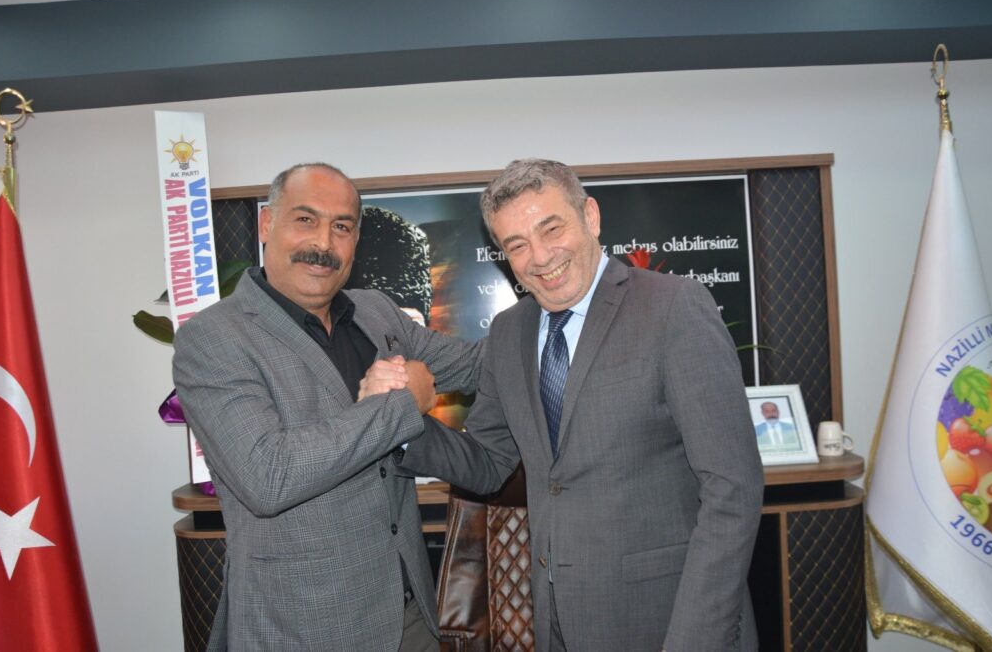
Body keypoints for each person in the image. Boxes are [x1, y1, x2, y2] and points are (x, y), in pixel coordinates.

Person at [401, 158, 764, 651]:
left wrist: (695, 640)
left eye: (551, 229)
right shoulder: (509, 332)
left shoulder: (674, 306)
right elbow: (488, 463)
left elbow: (732, 490)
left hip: (668, 620)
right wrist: (402, 422)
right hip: (557, 622)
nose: (540, 257)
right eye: (517, 245)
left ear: (590, 217)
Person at [172, 163, 481, 651]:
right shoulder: (213, 338)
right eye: (305, 219)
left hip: (410, 615)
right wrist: (402, 405)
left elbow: (474, 365)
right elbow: (268, 476)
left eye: (342, 226)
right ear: (267, 224)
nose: (323, 242)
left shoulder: (376, 312)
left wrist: (561, 314)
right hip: (302, 628)